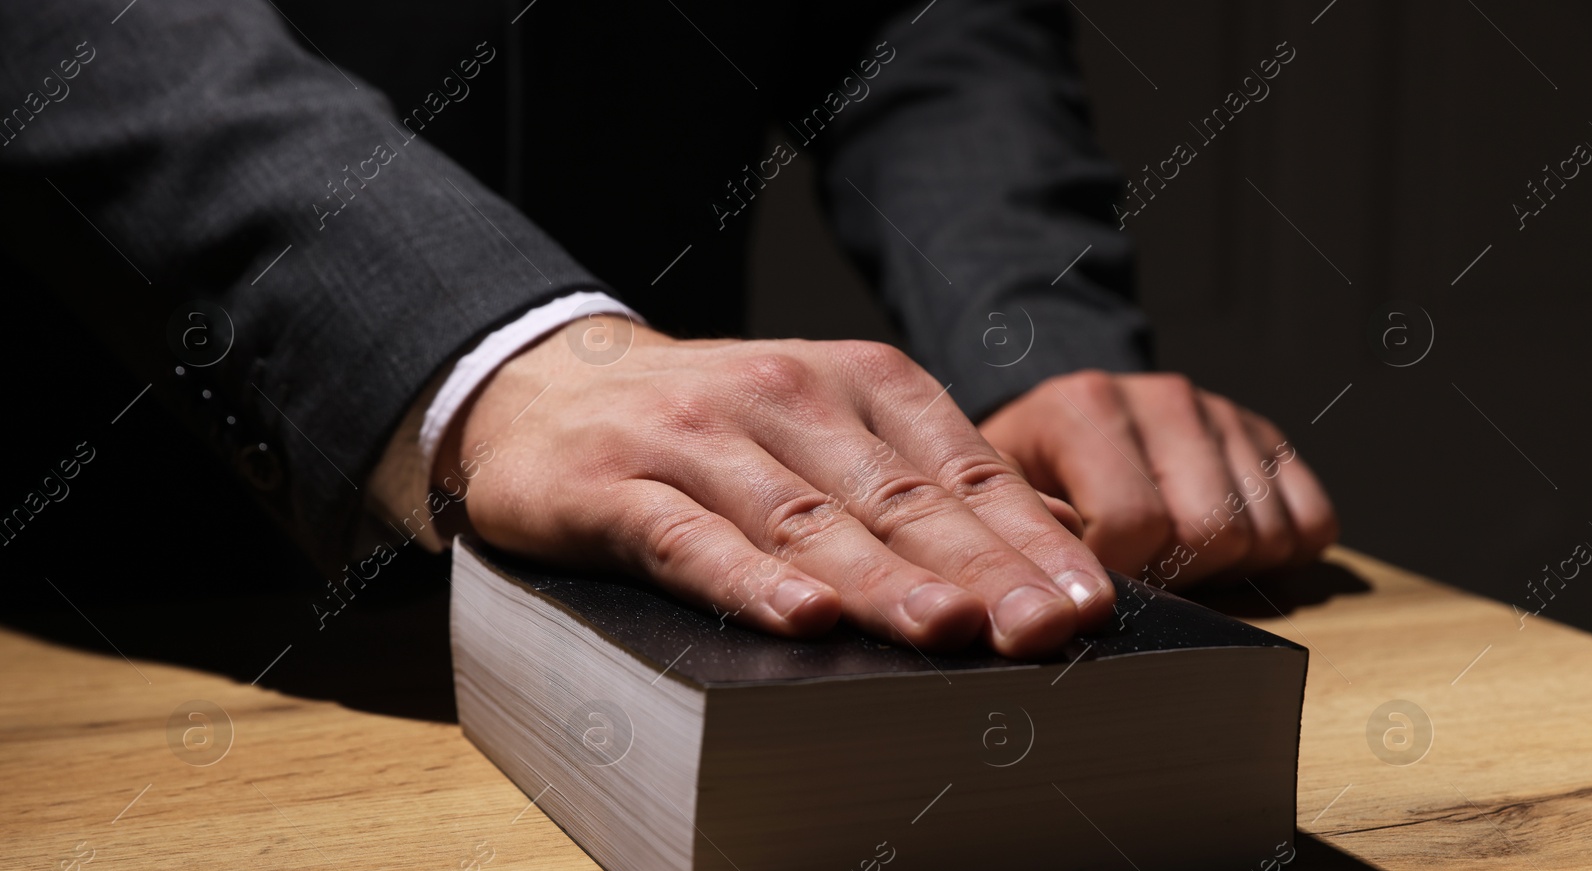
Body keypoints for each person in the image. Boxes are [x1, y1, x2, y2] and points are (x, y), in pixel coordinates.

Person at [0, 0, 1335, 658]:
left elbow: (921, 22)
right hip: (128, 588)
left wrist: (1041, 348)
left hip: (683, 618)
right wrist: (489, 353)